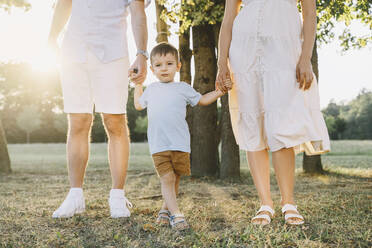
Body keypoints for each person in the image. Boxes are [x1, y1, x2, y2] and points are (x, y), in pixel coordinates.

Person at [216, 0, 330, 225]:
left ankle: (289, 203)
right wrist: (222, 63)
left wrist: (305, 58)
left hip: (284, 53)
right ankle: (265, 204)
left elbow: (310, 14)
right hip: (244, 54)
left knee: (282, 127)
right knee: (252, 125)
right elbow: (229, 18)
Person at [48, 0, 150, 218]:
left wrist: (142, 53)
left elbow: (138, 11)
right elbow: (64, 3)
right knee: (78, 122)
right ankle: (75, 196)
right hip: (73, 52)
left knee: (114, 122)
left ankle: (117, 196)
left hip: (112, 53)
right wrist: (52, 37)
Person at [133, 42, 226, 230]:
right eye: (158, 65)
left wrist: (219, 92)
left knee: (174, 179)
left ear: (178, 66)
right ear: (152, 69)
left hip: (180, 144)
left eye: (169, 63)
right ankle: (177, 215)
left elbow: (202, 100)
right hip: (159, 145)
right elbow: (138, 105)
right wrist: (137, 85)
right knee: (167, 178)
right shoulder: (151, 90)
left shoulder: (183, 88)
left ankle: (165, 210)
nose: (164, 69)